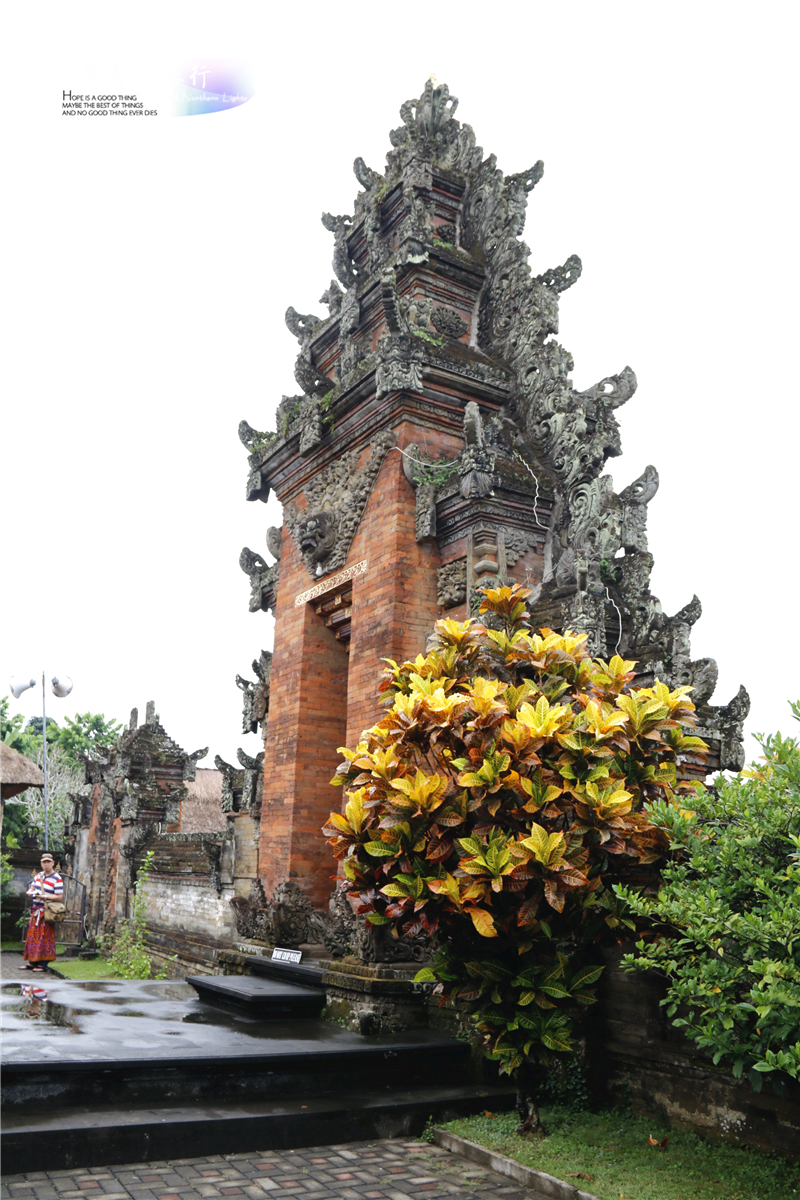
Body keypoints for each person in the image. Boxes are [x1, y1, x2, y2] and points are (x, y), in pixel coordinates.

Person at [20, 852, 64, 972]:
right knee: (33, 936)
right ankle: (32, 962)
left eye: (48, 862)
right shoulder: (38, 875)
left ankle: (43, 964)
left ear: (53, 863)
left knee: (45, 937)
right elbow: (32, 888)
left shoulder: (57, 878)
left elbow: (59, 896)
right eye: (44, 862)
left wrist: (44, 896)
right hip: (35, 910)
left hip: (47, 911)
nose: (46, 864)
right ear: (41, 864)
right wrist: (30, 892)